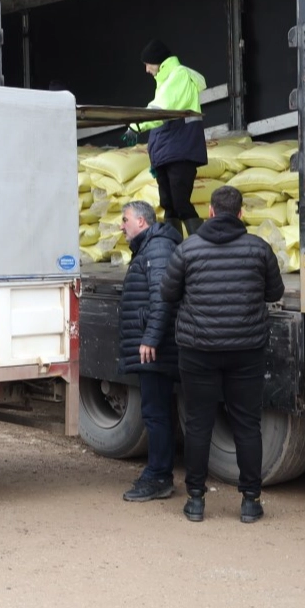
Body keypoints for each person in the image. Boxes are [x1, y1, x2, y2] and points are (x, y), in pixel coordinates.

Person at [159, 184, 285, 524]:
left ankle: (196, 501)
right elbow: (275, 291)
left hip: (198, 349)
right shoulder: (259, 249)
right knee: (247, 423)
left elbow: (168, 293)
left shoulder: (188, 249)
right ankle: (250, 502)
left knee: (199, 422)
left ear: (210, 212)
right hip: (246, 349)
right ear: (241, 213)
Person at [116, 200, 184, 503]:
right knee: (155, 413)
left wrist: (151, 339)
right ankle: (158, 472)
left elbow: (163, 299)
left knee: (155, 414)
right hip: (153, 346)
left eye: (125, 219)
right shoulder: (149, 248)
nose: (122, 225)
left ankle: (159, 477)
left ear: (142, 222)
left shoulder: (156, 249)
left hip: (155, 349)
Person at [123, 39, 208, 238]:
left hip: (180, 151)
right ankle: (174, 250)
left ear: (158, 62)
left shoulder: (178, 76)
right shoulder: (165, 81)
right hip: (168, 153)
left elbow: (160, 109)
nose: (146, 70)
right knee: (169, 204)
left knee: (180, 204)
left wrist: (136, 125)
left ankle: (203, 248)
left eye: (147, 64)